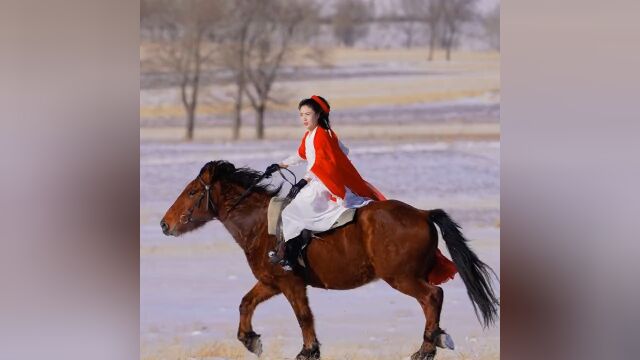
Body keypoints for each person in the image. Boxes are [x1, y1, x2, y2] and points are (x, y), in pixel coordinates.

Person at [265, 95, 456, 285]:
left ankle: (289, 255)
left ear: (318, 114)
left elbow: (323, 167)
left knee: (291, 212)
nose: (304, 119)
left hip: (325, 185)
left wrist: (304, 181)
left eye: (308, 114)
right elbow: (306, 155)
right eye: (301, 115)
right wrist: (280, 165)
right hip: (322, 180)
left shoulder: (321, 136)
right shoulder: (315, 134)